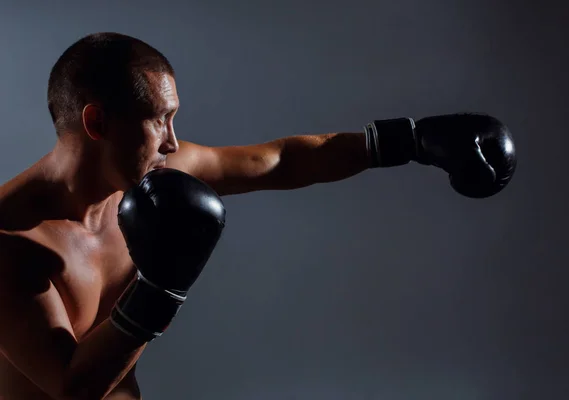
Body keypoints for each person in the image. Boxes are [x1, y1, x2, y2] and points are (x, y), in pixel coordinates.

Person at [0, 32, 516, 400]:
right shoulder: (11, 240)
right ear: (96, 122)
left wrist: (410, 140)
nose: (174, 142)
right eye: (160, 120)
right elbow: (72, 386)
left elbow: (282, 160)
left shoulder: (149, 175)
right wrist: (160, 290)